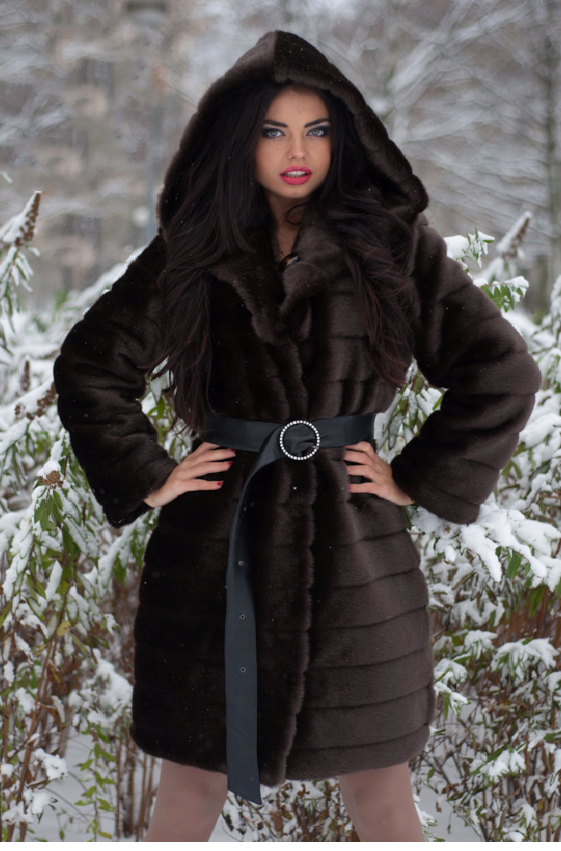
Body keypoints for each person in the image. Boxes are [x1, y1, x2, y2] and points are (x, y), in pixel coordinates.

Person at [53, 30, 541, 842]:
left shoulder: (391, 245)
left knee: (379, 781)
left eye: (316, 130)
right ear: (237, 139)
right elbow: (90, 366)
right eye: (272, 130)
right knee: (191, 778)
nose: (296, 151)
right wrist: (149, 471)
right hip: (216, 540)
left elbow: (501, 370)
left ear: (344, 137)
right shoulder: (193, 246)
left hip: (353, 545)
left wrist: (416, 475)